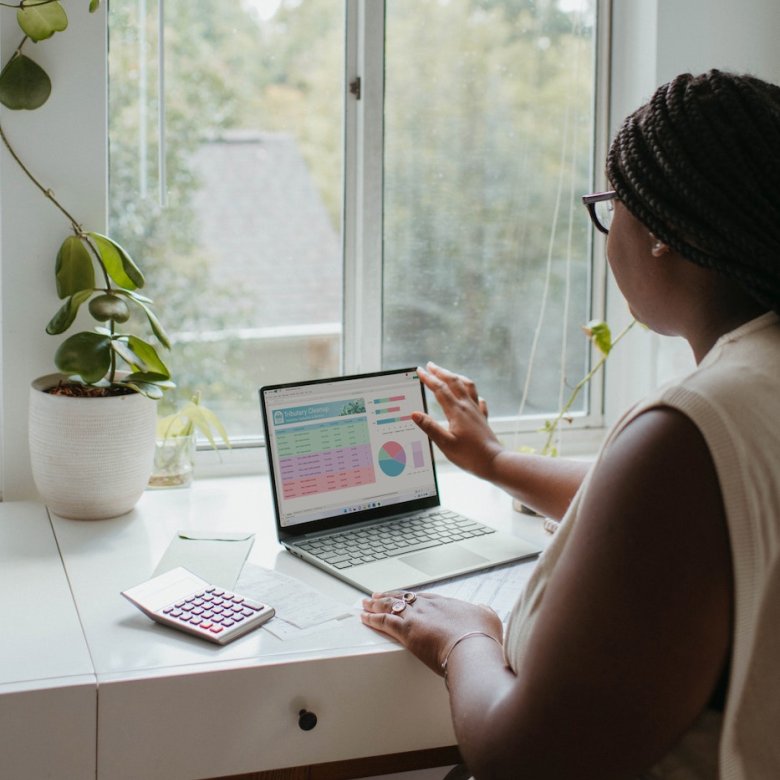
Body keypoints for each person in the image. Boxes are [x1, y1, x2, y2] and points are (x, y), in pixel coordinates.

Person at [361, 70, 780, 779]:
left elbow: (527, 762)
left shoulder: (688, 432)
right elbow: (673, 516)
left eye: (612, 205)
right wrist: (496, 461)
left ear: (662, 234)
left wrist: (465, 640)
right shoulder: (751, 394)